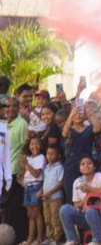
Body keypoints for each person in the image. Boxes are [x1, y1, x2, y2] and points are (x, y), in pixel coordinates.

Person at [59, 156, 101, 245]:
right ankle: (72, 240)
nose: (86, 166)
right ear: (80, 169)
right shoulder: (77, 182)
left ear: (94, 167)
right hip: (84, 216)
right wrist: (85, 201)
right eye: (83, 164)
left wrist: (91, 190)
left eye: (89, 163)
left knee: (90, 210)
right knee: (64, 209)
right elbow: (76, 205)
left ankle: (98, 240)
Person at [5, 95, 29, 244]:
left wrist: (23, 171)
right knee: (6, 207)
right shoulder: (3, 124)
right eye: (8, 106)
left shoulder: (22, 124)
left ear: (19, 107)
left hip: (15, 171)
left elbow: (25, 148)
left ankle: (17, 238)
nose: (11, 109)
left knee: (15, 207)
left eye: (14, 106)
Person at [21, 136, 45, 245]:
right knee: (30, 215)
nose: (34, 146)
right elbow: (25, 173)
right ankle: (31, 238)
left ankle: (39, 238)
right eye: (32, 144)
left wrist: (26, 164)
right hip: (27, 187)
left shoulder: (41, 157)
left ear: (41, 146)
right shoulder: (29, 158)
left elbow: (36, 174)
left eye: (37, 143)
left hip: (36, 186)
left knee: (37, 214)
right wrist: (21, 178)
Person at [40, 144, 65, 244]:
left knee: (55, 218)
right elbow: (45, 182)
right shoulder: (46, 167)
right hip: (46, 198)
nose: (49, 156)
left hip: (56, 198)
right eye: (48, 153)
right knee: (47, 218)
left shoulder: (59, 167)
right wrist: (41, 191)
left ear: (58, 155)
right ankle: (49, 237)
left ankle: (57, 238)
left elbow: (61, 183)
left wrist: (50, 192)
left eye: (52, 154)